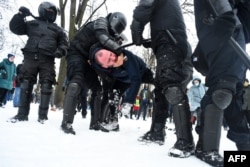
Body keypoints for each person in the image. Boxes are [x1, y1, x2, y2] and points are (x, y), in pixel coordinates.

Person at [131, 0, 194, 157]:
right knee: (160, 89)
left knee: (171, 87)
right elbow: (164, 22)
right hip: (167, 42)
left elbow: (143, 9)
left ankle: (185, 141)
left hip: (170, 43)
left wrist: (136, 31)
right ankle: (157, 132)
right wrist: (151, 42)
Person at [193, 0, 250, 166]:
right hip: (222, 24)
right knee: (223, 91)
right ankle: (207, 149)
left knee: (234, 95)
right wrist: (224, 15)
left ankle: (244, 151)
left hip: (233, 29)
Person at [60, 12, 127, 135]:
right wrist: (119, 50)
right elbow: (102, 37)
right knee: (76, 83)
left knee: (98, 89)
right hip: (76, 53)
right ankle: (66, 123)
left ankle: (95, 123)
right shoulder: (101, 22)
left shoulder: (109, 36)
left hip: (88, 60)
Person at [9, 2, 68, 124]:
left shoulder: (58, 29)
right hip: (30, 57)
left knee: (47, 85)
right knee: (25, 83)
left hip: (48, 59)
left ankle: (43, 117)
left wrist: (60, 51)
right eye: (49, 11)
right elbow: (15, 28)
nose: (51, 13)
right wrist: (20, 15)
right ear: (42, 10)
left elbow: (64, 44)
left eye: (53, 12)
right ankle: (22, 115)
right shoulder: (31, 23)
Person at [89, 46, 155, 131]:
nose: (113, 58)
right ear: (105, 66)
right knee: (112, 94)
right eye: (109, 60)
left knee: (160, 84)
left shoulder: (126, 56)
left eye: (111, 54)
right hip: (123, 79)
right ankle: (113, 122)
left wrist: (128, 102)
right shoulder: (100, 67)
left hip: (141, 74)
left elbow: (136, 79)